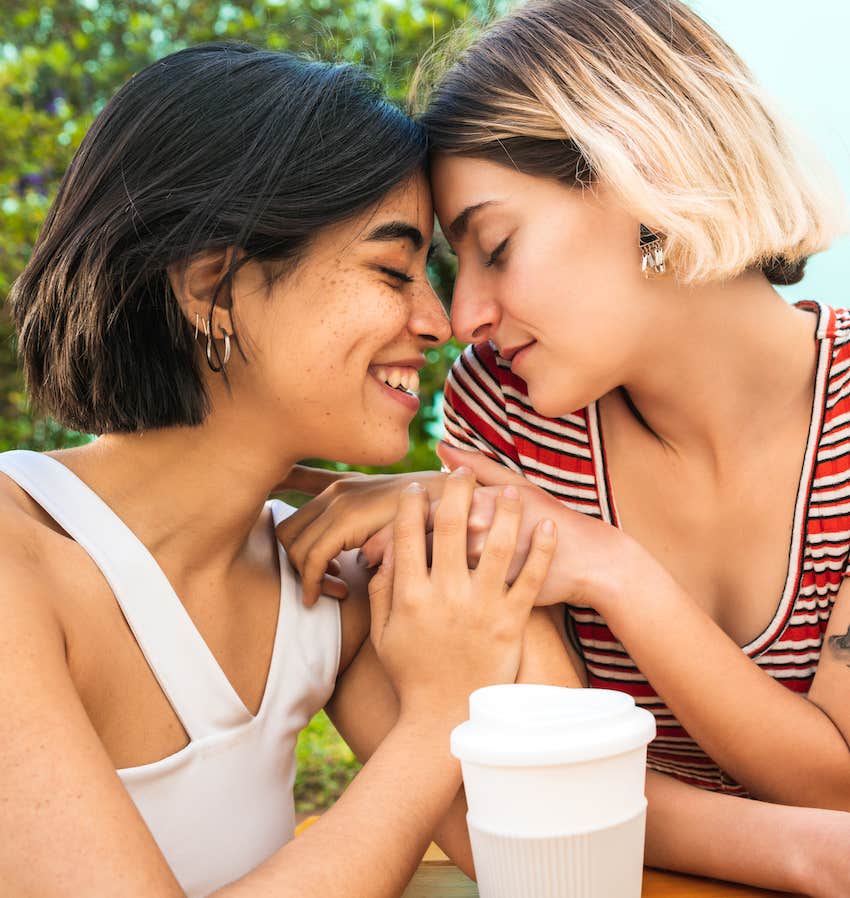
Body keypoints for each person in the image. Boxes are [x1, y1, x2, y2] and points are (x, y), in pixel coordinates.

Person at [277, 1, 850, 893]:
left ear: (647, 176)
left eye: (496, 247)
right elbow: (539, 791)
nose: (464, 318)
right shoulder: (509, 418)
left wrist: (610, 569)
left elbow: (837, 784)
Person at [0, 42, 560, 898]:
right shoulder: (16, 562)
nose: (438, 320)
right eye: (390, 269)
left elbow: (547, 849)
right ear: (211, 284)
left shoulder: (321, 586)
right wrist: (437, 714)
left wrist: (480, 515)